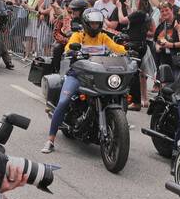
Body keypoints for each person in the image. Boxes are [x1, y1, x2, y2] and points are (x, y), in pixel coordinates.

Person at [42, 8, 128, 154]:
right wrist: (71, 50)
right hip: (78, 75)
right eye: (92, 24)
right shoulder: (78, 35)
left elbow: (116, 47)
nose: (95, 27)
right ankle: (50, 140)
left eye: (97, 24)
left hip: (97, 76)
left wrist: (127, 51)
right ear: (87, 24)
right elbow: (69, 46)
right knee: (63, 102)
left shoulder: (102, 37)